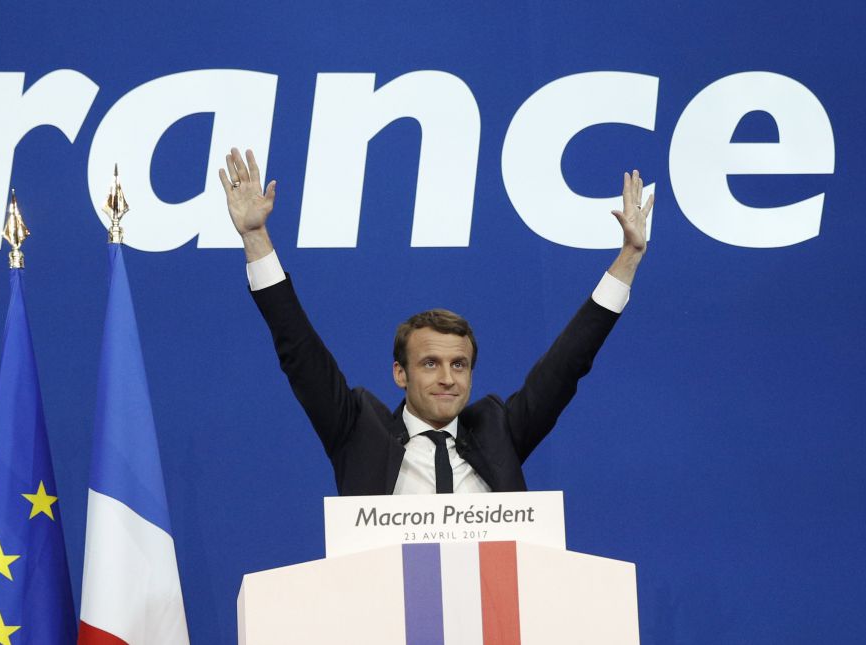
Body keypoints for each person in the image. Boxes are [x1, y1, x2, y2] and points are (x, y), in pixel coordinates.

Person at [218, 147, 651, 495]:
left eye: (458, 365)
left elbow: (568, 363)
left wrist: (628, 258)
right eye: (430, 364)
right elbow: (298, 350)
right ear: (399, 373)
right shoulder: (359, 430)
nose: (447, 378)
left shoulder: (499, 430)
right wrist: (256, 238)